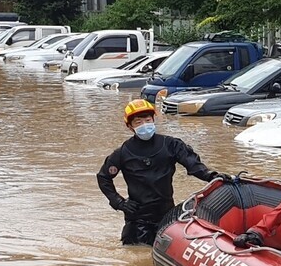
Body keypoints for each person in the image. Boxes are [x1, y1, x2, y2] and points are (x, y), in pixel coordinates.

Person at [97, 99, 231, 246]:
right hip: (137, 218)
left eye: (148, 120)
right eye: (138, 122)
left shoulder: (171, 145)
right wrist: (119, 202)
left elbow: (193, 165)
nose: (144, 125)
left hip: (166, 213)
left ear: (153, 120)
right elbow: (104, 178)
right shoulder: (122, 153)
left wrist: (212, 176)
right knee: (136, 256)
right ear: (130, 127)